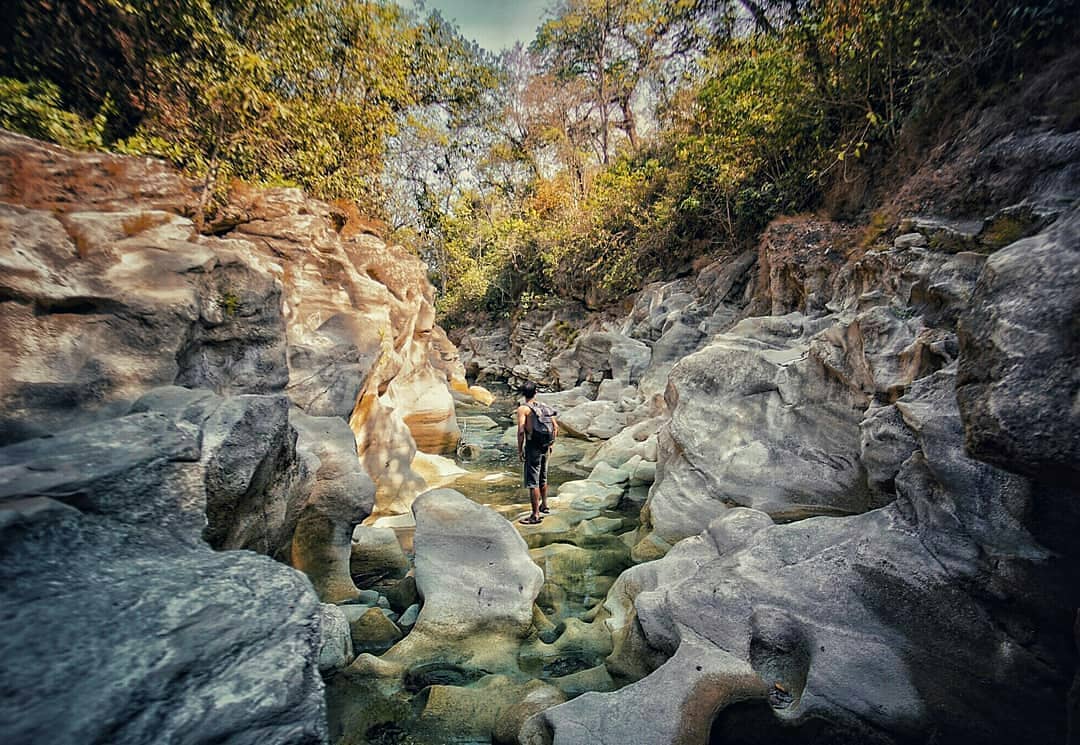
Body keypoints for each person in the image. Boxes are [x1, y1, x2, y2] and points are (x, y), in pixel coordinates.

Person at [516, 381, 558, 524]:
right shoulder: (544, 407)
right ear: (536, 392)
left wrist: (520, 449)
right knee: (543, 477)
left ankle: (535, 515)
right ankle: (544, 505)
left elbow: (521, 431)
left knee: (532, 481)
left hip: (533, 446)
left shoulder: (523, 409)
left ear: (523, 394)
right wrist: (551, 443)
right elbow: (555, 426)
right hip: (546, 445)